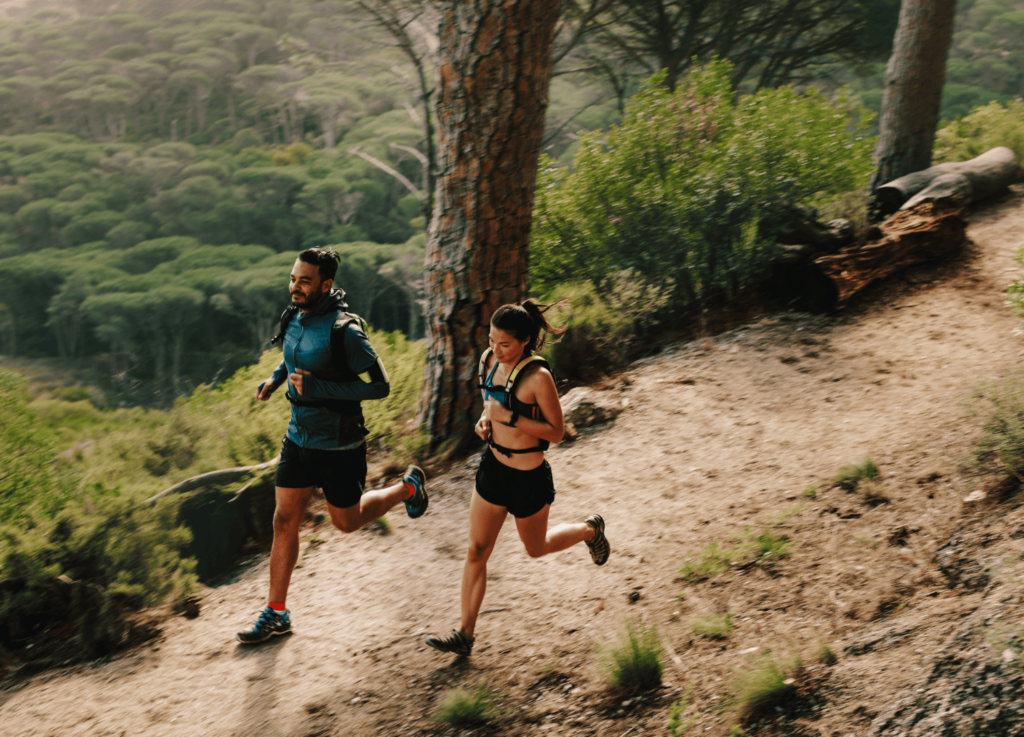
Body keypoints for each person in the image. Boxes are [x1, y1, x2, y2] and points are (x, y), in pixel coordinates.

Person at [237, 247, 429, 644]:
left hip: (340, 446)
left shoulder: (346, 331)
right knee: (283, 520)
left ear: (326, 284)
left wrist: (320, 387)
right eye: (293, 278)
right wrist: (275, 381)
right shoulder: (294, 317)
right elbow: (293, 358)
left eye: (304, 281)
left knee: (346, 521)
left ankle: (407, 487)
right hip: (298, 439)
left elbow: (380, 385)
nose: (295, 287)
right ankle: (276, 612)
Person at [425, 300, 610, 657]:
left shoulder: (538, 377)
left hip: (528, 478)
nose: (496, 350)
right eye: (491, 340)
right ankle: (465, 634)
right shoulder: (489, 361)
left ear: (525, 341)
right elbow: (492, 403)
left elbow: (556, 431)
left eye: (504, 344)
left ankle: (590, 530)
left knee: (535, 548)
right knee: (477, 550)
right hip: (493, 468)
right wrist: (486, 420)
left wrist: (508, 418)